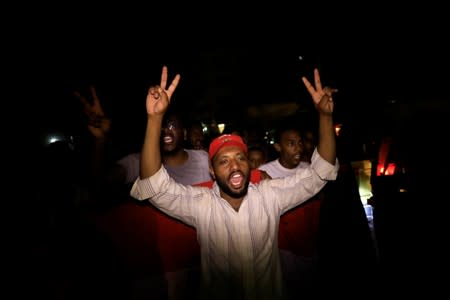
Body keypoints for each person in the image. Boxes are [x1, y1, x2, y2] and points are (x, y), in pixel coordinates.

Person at [130, 65, 339, 299]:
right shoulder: (201, 205)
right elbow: (154, 187)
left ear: (249, 164)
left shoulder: (269, 195)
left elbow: (320, 173)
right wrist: (154, 118)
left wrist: (325, 117)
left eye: (240, 158)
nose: (235, 165)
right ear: (211, 171)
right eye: (224, 161)